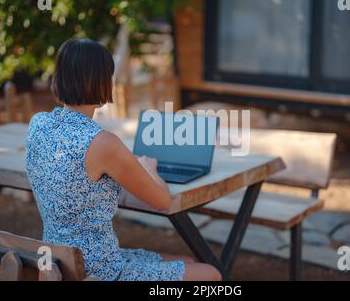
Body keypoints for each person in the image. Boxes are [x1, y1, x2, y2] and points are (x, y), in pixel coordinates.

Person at [25, 38, 221, 281]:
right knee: (211, 274)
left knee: (188, 262)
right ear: (99, 81)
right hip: (99, 271)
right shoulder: (102, 143)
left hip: (57, 260)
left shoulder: (38, 124)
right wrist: (149, 169)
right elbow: (161, 200)